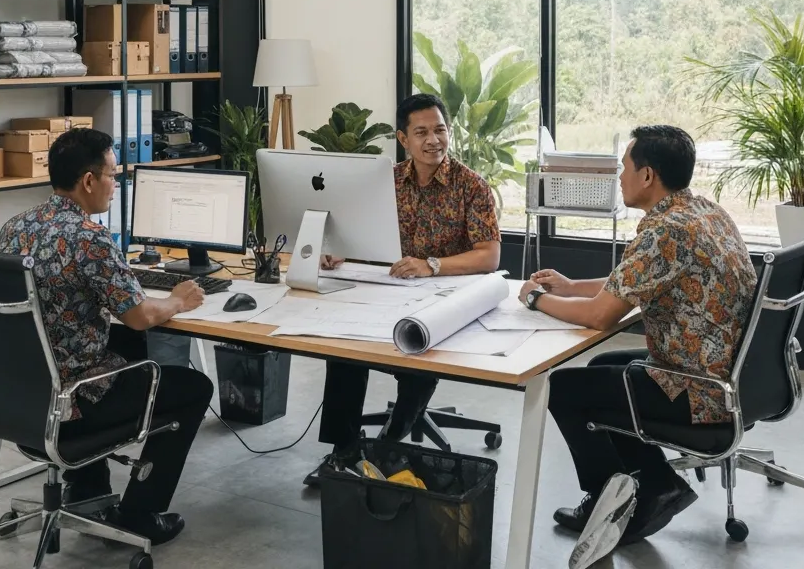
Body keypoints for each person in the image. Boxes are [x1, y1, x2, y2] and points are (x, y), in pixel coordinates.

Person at [517, 124, 757, 547]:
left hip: (698, 389)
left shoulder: (664, 231)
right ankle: (653, 482)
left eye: (624, 168)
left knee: (565, 388)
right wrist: (570, 286)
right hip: (731, 376)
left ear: (647, 175)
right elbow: (631, 281)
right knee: (601, 367)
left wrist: (535, 299)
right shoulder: (703, 211)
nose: (620, 178)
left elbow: (600, 317)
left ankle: (615, 500)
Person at [0, 128, 213, 547]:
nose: (117, 185)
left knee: (125, 349)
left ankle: (88, 489)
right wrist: (178, 300)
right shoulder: (90, 238)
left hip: (21, 395)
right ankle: (139, 514)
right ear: (89, 181)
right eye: (114, 175)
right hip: (74, 400)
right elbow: (138, 316)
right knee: (191, 387)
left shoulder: (14, 227)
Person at [304, 93, 501, 487]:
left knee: (418, 350)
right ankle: (343, 449)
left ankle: (387, 446)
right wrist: (337, 253)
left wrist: (433, 266)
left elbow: (489, 257)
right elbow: (356, 235)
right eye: (422, 132)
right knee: (343, 351)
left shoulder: (471, 186)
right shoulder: (386, 182)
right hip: (385, 292)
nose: (434, 140)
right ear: (403, 139)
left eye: (440, 130)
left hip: (443, 300)